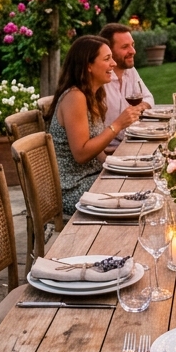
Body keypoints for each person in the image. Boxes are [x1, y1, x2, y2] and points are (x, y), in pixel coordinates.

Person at [47, 35, 142, 218]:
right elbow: (81, 154)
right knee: (136, 194)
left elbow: (96, 147)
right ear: (88, 66)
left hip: (93, 177)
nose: (114, 63)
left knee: (138, 183)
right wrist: (117, 125)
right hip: (74, 187)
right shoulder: (75, 97)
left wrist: (117, 166)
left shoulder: (92, 94)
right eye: (107, 59)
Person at [99, 22, 155, 146]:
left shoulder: (130, 71)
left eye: (132, 45)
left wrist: (137, 109)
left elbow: (149, 98)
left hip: (130, 141)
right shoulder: (99, 79)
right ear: (108, 51)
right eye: (125, 47)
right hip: (109, 148)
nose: (133, 51)